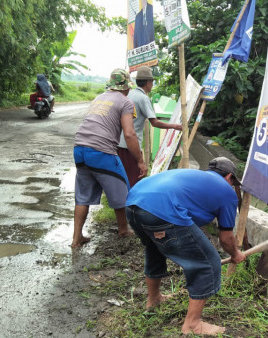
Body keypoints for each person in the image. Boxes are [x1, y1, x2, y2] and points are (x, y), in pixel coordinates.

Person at [125, 157, 246, 335]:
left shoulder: (195, 178)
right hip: (160, 210)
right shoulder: (227, 191)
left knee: (154, 249)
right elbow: (226, 238)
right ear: (229, 177)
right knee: (208, 262)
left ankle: (154, 300)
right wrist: (235, 253)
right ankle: (193, 324)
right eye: (233, 182)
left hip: (133, 204)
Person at [71, 68, 146, 248]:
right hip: (101, 151)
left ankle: (76, 239)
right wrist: (140, 160)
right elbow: (129, 134)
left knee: (82, 196)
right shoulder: (126, 102)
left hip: (79, 148)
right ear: (126, 86)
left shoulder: (99, 97)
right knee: (121, 188)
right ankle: (123, 229)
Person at [118, 66, 182, 187]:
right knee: (135, 178)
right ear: (148, 82)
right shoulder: (143, 98)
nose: (152, 85)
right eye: (152, 82)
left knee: (124, 178)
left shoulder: (130, 94)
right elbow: (155, 122)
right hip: (130, 145)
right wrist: (174, 126)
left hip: (119, 144)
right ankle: (131, 204)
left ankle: (123, 202)